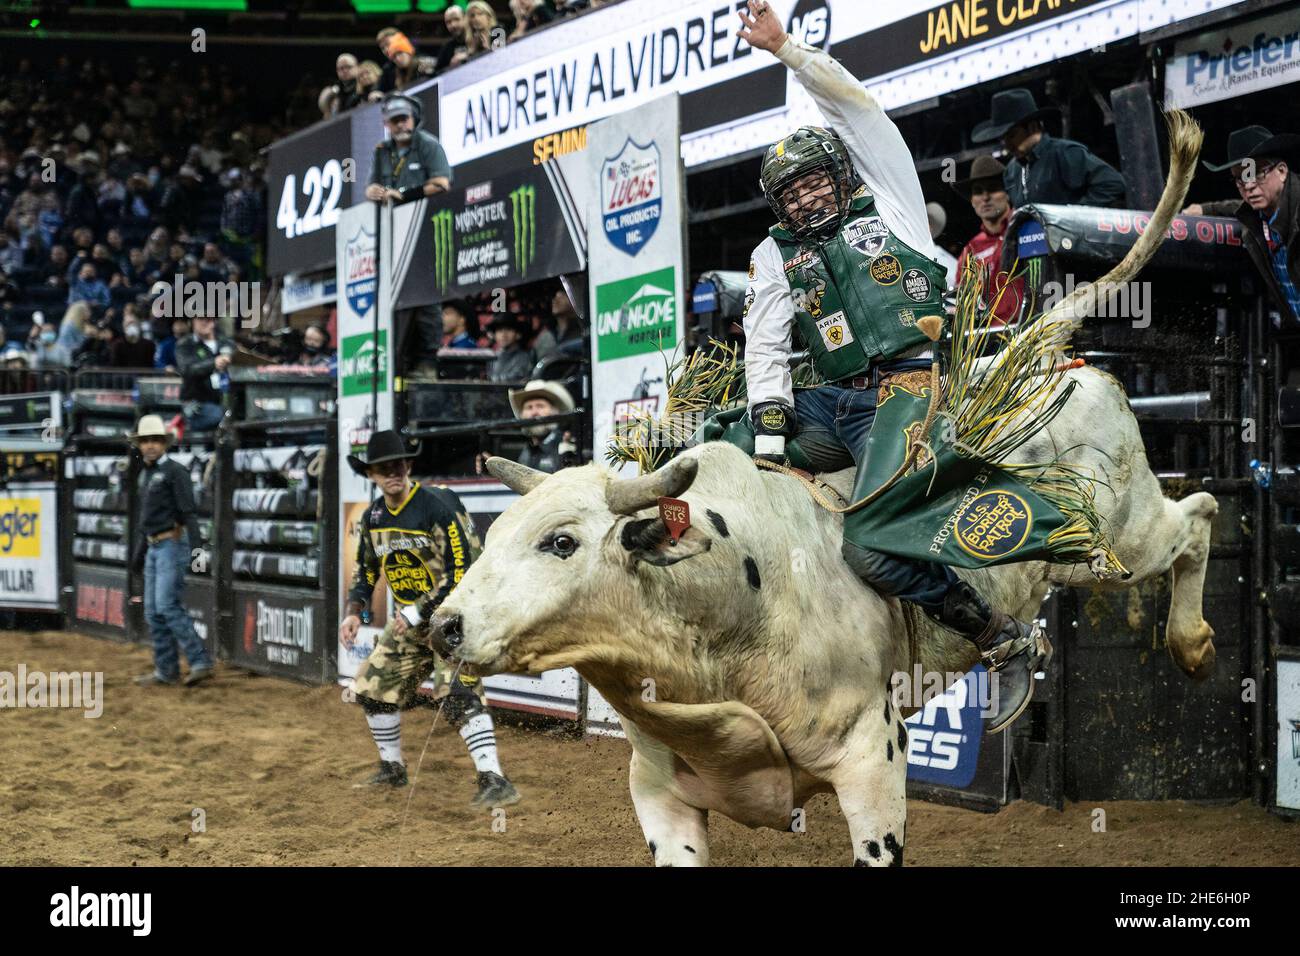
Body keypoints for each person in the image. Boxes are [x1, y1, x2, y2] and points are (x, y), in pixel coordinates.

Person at [730, 0, 1046, 732]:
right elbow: (767, 347)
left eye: (815, 181)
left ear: (839, 174)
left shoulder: (893, 199)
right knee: (717, 444)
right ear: (778, 203)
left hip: (906, 393)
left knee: (871, 549)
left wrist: (789, 51)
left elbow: (859, 109)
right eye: (791, 192)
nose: (806, 196)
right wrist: (771, 449)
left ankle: (998, 634)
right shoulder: (775, 255)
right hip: (830, 402)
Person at [339, 430, 521, 806]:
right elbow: (366, 571)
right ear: (371, 473)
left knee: (457, 694)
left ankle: (495, 778)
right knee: (373, 689)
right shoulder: (374, 516)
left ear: (408, 466)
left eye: (399, 464)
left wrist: (417, 609)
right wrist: (353, 612)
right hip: (409, 623)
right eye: (383, 467)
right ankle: (392, 768)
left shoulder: (437, 505)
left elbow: (465, 569)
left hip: (451, 620)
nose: (393, 471)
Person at [129, 414, 214, 688]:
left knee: (165, 605)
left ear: (164, 443)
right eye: (146, 441)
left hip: (171, 543)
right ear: (140, 445)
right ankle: (167, 670)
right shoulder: (148, 474)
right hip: (156, 545)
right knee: (154, 611)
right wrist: (140, 553)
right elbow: (146, 519)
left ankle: (199, 661)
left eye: (155, 440)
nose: (150, 445)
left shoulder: (175, 472)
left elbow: (188, 512)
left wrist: (198, 550)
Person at [1186, 126, 1299, 322]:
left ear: (1282, 171)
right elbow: (1236, 206)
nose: (1249, 186)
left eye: (1257, 174)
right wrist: (1205, 209)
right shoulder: (1258, 214)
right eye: (1240, 179)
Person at [971, 88, 1127, 209]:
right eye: (1002, 138)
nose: (1006, 144)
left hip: (1071, 245)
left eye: (1011, 135)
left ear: (1032, 127)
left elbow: (1113, 183)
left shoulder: (1064, 152)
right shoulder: (1011, 171)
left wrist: (1075, 216)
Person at [953, 154, 1024, 327]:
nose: (985, 197)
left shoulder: (1028, 229)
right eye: (978, 191)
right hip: (989, 341)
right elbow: (962, 301)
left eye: (993, 188)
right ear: (972, 201)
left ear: (1008, 193)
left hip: (1032, 331)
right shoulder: (971, 250)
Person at [175, 313, 233, 432]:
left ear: (214, 321)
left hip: (226, 400)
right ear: (192, 321)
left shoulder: (227, 344)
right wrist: (214, 363)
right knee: (223, 416)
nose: (205, 322)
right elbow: (187, 369)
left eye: (209, 319)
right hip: (196, 403)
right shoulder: (185, 344)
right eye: (200, 319)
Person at [507, 379, 578, 473]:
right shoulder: (525, 449)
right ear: (522, 415)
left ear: (555, 412)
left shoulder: (567, 446)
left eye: (540, 406)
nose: (534, 412)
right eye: (529, 407)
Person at [486, 314, 535, 382]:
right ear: (494, 335)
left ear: (518, 334)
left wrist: (488, 380)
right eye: (499, 330)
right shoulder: (493, 357)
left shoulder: (523, 357)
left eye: (508, 330)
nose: (503, 335)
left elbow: (516, 378)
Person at [925, 201, 958, 289]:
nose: (923, 225)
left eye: (928, 222)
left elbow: (958, 283)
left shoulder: (944, 258)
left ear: (932, 227)